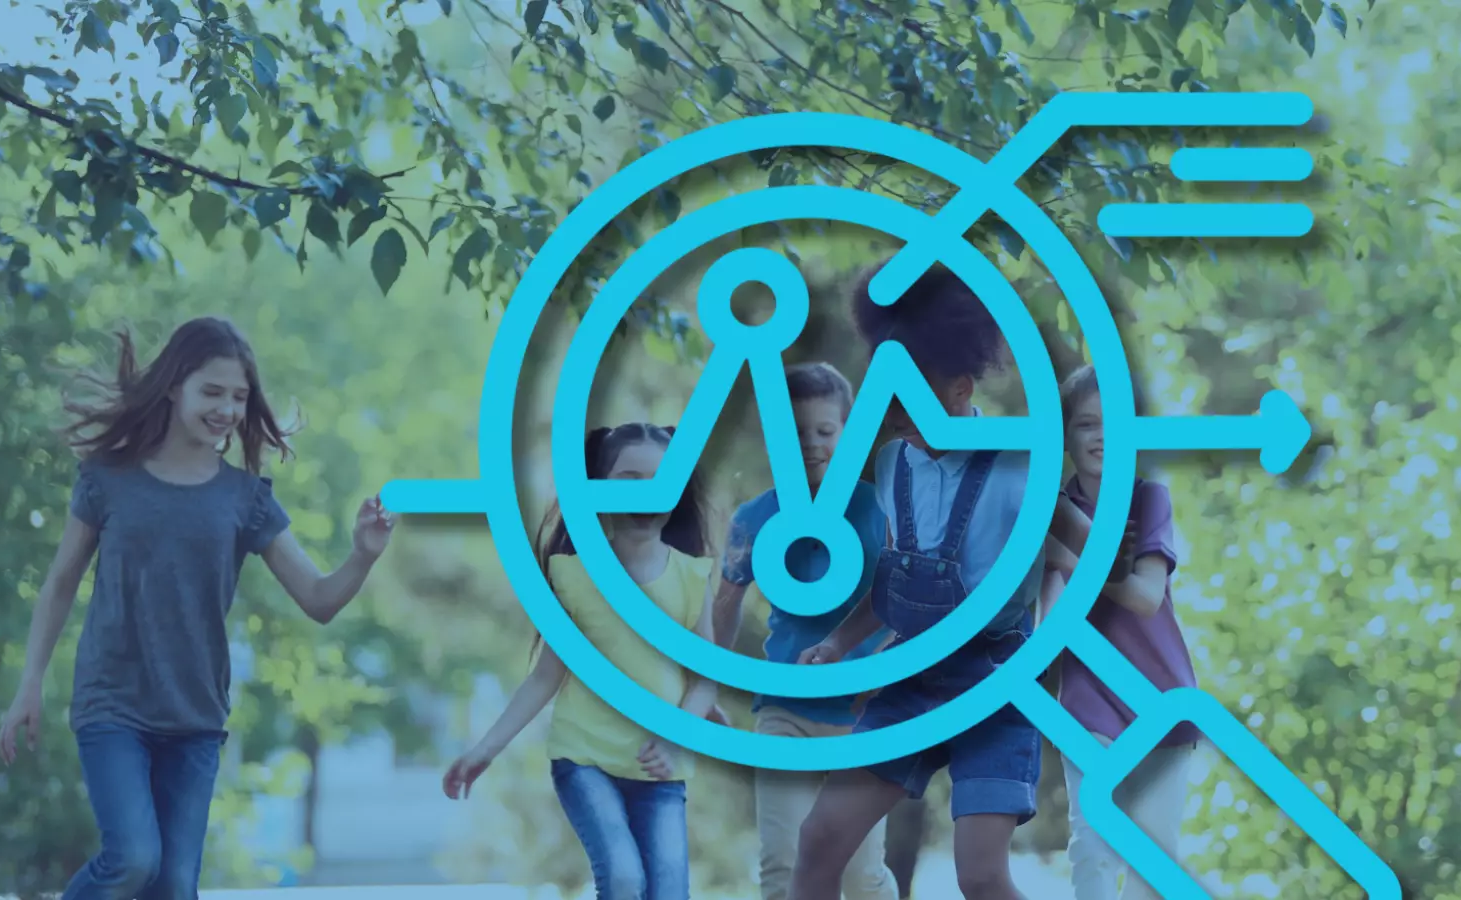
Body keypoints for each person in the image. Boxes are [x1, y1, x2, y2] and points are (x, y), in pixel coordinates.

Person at [0, 317, 398, 900]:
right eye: (213, 392)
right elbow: (60, 583)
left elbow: (318, 599)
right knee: (133, 859)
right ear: (173, 387)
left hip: (195, 719)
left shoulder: (245, 498)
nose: (228, 410)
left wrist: (362, 555)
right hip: (113, 705)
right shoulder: (109, 480)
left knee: (175, 887)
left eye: (239, 397)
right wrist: (29, 683)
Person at [789, 263, 1076, 900]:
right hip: (912, 679)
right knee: (818, 843)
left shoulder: (1017, 464)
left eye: (910, 396)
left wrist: (1047, 642)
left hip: (996, 682)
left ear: (959, 389)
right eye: (888, 398)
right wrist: (838, 643)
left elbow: (1073, 556)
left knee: (979, 876)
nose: (894, 415)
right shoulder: (893, 464)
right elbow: (894, 584)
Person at [442, 423, 721, 900]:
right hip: (584, 758)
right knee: (623, 877)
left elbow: (704, 683)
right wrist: (484, 749)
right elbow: (546, 675)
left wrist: (676, 736)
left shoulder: (693, 578)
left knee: (669, 892)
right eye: (628, 478)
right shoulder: (573, 576)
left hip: (660, 769)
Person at [712, 362, 898, 900]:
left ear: (847, 432)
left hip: (862, 717)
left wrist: (885, 673)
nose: (812, 444)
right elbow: (725, 604)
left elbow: (903, 601)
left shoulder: (877, 506)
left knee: (862, 875)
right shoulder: (755, 518)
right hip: (784, 712)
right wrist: (701, 685)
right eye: (796, 431)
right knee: (782, 866)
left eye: (825, 430)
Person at [1042, 365, 1199, 900]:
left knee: (1151, 864)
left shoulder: (1148, 498)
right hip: (1088, 702)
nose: (1102, 436)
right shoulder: (1049, 510)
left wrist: (1071, 560)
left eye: (1114, 423)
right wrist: (1061, 560)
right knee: (1091, 844)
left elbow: (1145, 596)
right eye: (1087, 424)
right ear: (1066, 435)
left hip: (1160, 697)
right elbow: (1050, 624)